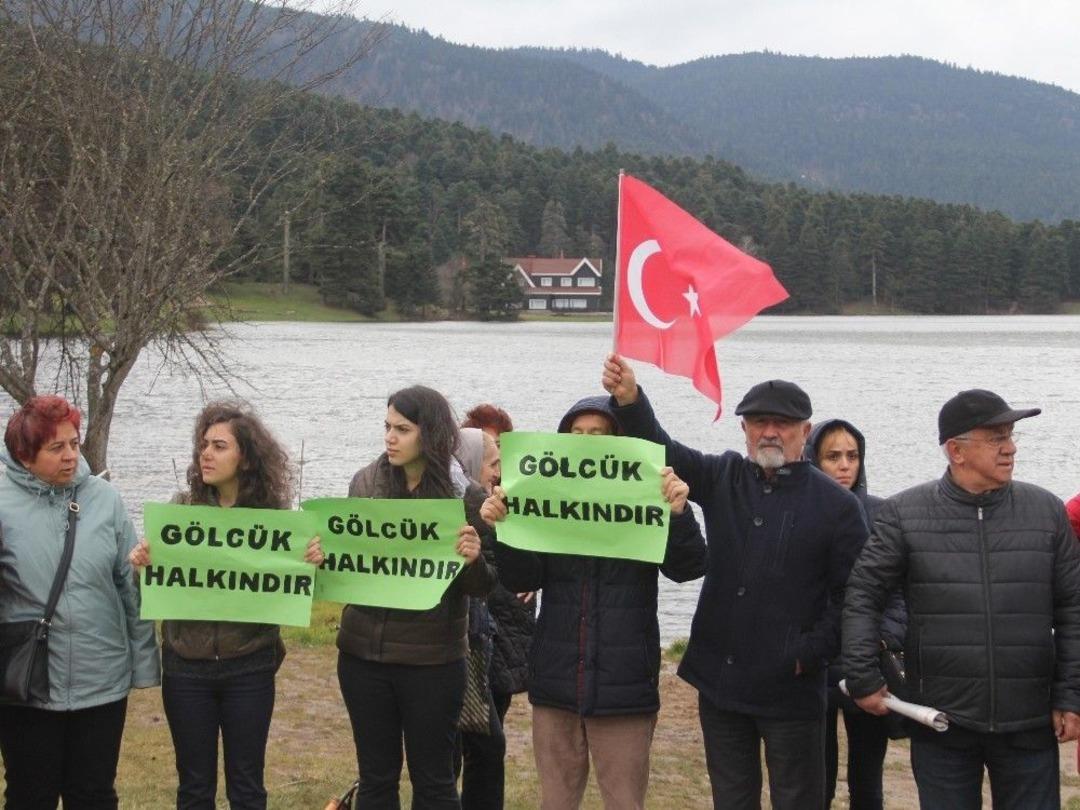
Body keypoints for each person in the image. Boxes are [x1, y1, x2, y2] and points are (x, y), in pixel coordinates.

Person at [601, 355, 867, 810]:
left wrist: (808, 654)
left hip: (791, 688)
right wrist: (629, 400)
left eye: (783, 424)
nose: (770, 432)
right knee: (732, 798)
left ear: (805, 431)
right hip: (720, 682)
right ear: (744, 429)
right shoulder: (725, 475)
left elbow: (854, 598)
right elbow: (664, 452)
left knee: (798, 799)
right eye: (759, 422)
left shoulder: (838, 506)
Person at [843, 388, 1080, 810]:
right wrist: (863, 674)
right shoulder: (903, 514)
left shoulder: (1046, 513)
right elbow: (863, 596)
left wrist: (1070, 694)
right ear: (956, 451)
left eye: (1010, 436)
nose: (1010, 448)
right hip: (941, 722)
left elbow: (1073, 609)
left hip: (1028, 721)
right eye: (997, 438)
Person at [480, 395, 707, 810]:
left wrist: (678, 515)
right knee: (556, 802)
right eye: (577, 434)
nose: (586, 442)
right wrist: (504, 529)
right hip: (556, 680)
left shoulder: (647, 497)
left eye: (598, 434)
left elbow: (688, 567)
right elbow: (522, 578)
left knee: (624, 802)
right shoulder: (545, 502)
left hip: (624, 685)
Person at [129, 401, 324, 810]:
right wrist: (141, 566)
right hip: (186, 668)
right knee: (194, 788)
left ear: (246, 458)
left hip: (250, 667)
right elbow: (154, 586)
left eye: (219, 446)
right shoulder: (180, 512)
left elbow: (295, 588)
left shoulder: (274, 520)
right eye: (204, 445)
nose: (206, 454)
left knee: (247, 787)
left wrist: (311, 564)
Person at [337, 385, 496, 809]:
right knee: (375, 780)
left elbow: (485, 586)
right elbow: (347, 564)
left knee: (434, 782)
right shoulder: (365, 484)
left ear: (431, 434)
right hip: (362, 657)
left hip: (433, 663)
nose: (390, 438)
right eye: (387, 427)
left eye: (402, 429)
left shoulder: (466, 497)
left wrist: (472, 560)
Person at [0, 395, 160, 808]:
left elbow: (130, 587)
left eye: (74, 443)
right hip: (26, 682)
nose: (71, 455)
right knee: (29, 795)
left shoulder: (105, 499)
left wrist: (144, 663)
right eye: (56, 447)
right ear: (24, 454)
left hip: (101, 679)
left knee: (93, 795)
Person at [803, 419, 906, 810]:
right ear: (814, 459)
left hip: (868, 663)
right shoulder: (800, 513)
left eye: (852, 456)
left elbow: (899, 593)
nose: (845, 465)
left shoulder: (882, 515)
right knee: (817, 780)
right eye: (833, 456)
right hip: (815, 666)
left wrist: (883, 640)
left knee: (867, 781)